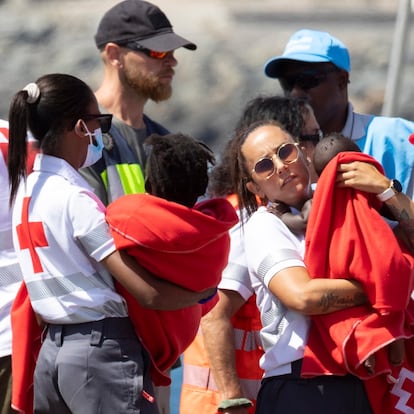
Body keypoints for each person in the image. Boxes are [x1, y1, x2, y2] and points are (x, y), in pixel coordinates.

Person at [7, 74, 214, 414]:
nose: (102, 131)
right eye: (98, 122)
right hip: (99, 352)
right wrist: (202, 295)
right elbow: (149, 294)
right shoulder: (75, 199)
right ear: (79, 127)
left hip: (51, 355)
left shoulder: (25, 193)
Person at [180, 95, 323, 414]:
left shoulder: (288, 213)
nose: (319, 146)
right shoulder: (246, 219)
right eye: (312, 138)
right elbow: (214, 314)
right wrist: (231, 398)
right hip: (224, 400)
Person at [230, 118, 375, 413]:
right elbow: (303, 297)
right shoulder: (263, 225)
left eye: (284, 152)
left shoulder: (344, 199)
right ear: (254, 186)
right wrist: (377, 288)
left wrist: (386, 189)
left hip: (358, 376)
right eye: (264, 166)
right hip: (301, 386)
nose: (280, 166)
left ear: (303, 152)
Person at [105, 132, 238, 387]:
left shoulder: (129, 218)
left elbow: (107, 226)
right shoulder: (216, 237)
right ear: (202, 188)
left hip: (127, 347)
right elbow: (208, 296)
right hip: (172, 348)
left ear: (148, 184)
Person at [263, 29, 414, 199]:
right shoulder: (281, 158)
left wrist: (385, 190)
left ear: (341, 80)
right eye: (287, 83)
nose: (296, 92)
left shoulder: (397, 136)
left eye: (307, 80)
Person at [80, 0, 196, 205]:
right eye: (158, 52)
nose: (172, 61)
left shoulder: (166, 141)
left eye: (172, 52)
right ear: (114, 55)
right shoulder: (79, 132)